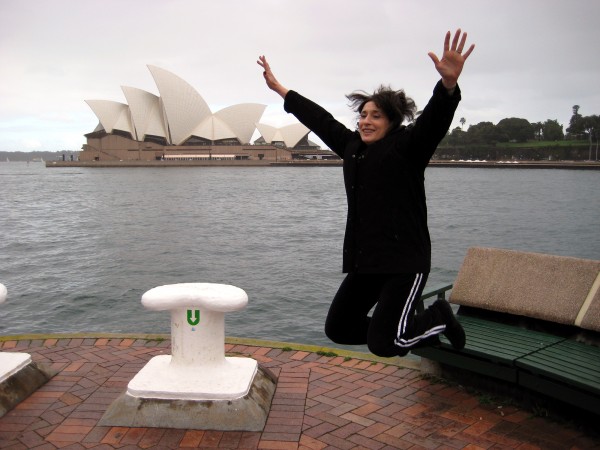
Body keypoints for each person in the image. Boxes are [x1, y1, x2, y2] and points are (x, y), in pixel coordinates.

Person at [257, 29, 475, 357]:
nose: (366, 121)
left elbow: (434, 122)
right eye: (362, 115)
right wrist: (281, 90)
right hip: (367, 263)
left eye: (376, 116)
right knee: (340, 328)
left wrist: (447, 87)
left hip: (404, 262)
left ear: (392, 121)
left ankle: (436, 318)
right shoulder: (352, 148)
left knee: (385, 344)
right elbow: (321, 120)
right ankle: (410, 329)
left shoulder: (408, 147)